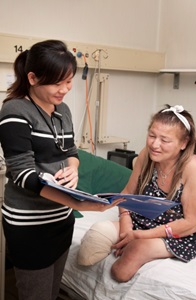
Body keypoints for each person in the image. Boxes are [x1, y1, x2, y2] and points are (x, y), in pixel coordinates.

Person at [0, 40, 122, 300]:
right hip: (30, 225)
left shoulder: (63, 111)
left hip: (61, 221)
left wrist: (74, 169)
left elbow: (71, 152)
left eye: (69, 81)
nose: (65, 89)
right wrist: (81, 204)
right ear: (32, 78)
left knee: (52, 293)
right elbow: (23, 176)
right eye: (58, 83)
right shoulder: (15, 111)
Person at [77, 104, 196, 283]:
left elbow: (192, 223)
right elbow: (126, 194)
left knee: (121, 270)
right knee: (94, 239)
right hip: (150, 219)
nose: (155, 145)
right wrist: (126, 227)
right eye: (152, 136)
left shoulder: (194, 166)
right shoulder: (147, 155)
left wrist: (140, 236)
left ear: (183, 143)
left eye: (164, 140)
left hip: (183, 230)